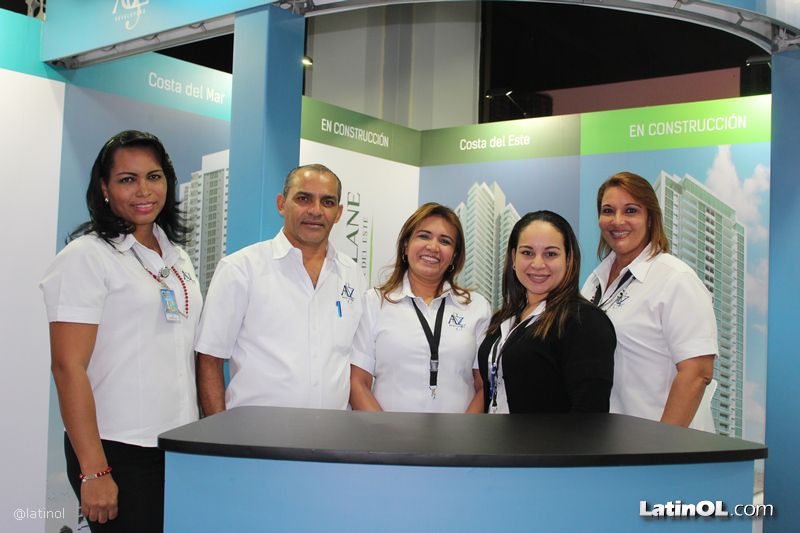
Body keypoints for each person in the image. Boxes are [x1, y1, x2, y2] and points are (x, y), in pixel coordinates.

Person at [40, 130, 201, 532]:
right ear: (104, 189)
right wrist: (95, 470)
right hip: (117, 451)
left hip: (177, 447)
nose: (143, 190)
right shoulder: (86, 257)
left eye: (154, 176)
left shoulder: (178, 257)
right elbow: (67, 367)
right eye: (127, 179)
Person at [195, 164, 365, 414]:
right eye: (303, 198)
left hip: (332, 433)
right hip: (256, 434)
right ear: (281, 204)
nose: (315, 210)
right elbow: (209, 360)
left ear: (338, 213)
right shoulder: (241, 269)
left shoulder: (352, 274)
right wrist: (217, 434)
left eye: (327, 202)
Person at [581, 171, 717, 429]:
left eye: (630, 210)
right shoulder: (593, 282)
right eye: (608, 211)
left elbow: (698, 372)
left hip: (661, 443)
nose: (617, 221)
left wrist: (661, 444)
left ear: (651, 218)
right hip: (610, 439)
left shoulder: (676, 279)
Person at [350, 203, 491, 413]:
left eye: (445, 241)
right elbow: (357, 382)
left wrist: (464, 432)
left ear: (454, 255)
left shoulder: (476, 307)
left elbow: (484, 386)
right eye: (424, 236)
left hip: (459, 432)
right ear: (406, 245)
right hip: (386, 431)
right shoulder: (374, 302)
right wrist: (383, 432)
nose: (433, 247)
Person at [477, 211, 616, 414]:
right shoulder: (503, 319)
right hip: (496, 434)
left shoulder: (583, 320)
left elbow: (589, 415)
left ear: (569, 259)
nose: (537, 264)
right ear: (514, 258)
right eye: (527, 252)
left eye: (550, 254)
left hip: (548, 437)